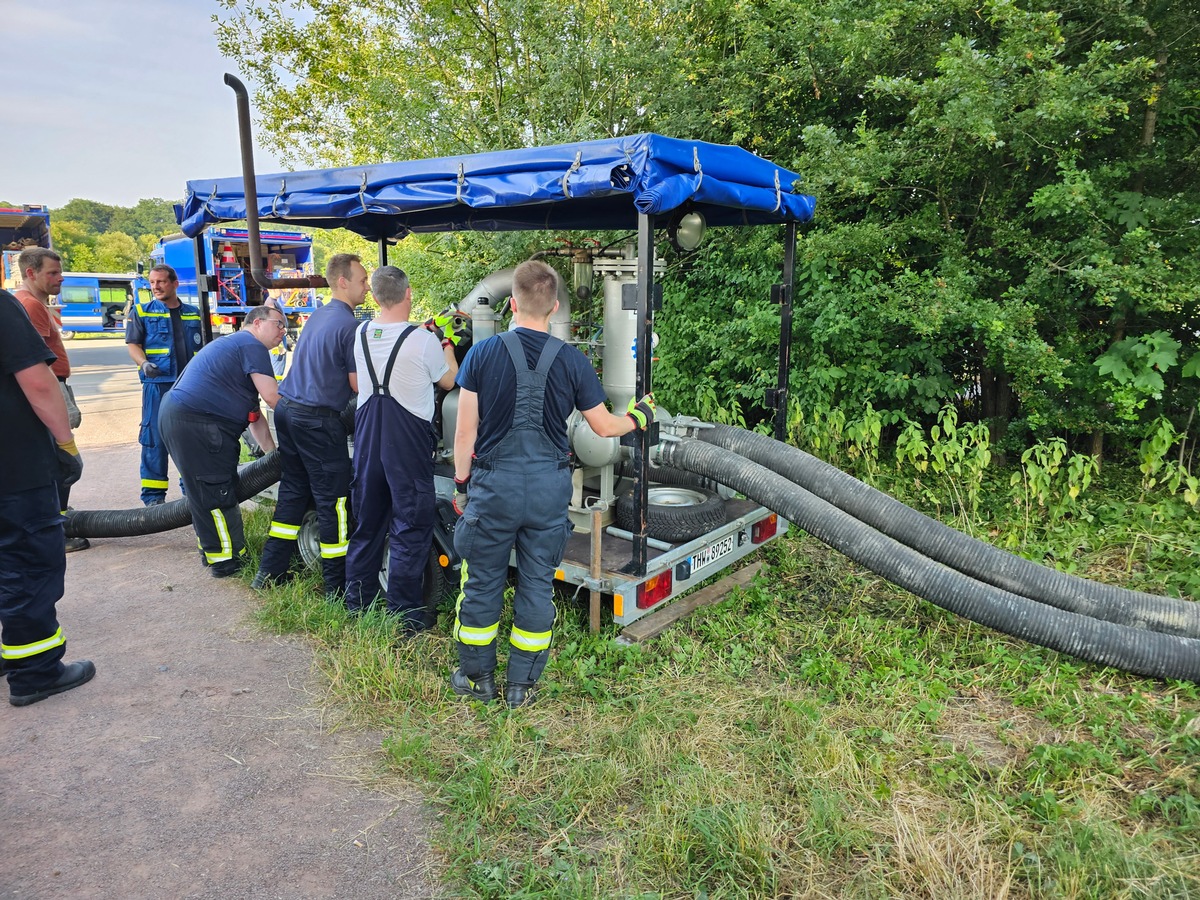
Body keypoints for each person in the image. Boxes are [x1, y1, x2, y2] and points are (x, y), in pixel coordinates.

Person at [450, 259, 656, 708]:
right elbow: (603, 428)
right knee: (537, 585)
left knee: (482, 582)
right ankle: (521, 688)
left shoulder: (482, 354)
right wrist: (639, 415)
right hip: (547, 491)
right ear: (555, 305)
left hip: (494, 489)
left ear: (511, 304)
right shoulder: (572, 359)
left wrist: (462, 485)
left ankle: (477, 679)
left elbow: (465, 432)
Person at [343, 266, 459, 629]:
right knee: (410, 525)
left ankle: (357, 603)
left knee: (367, 523)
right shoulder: (424, 341)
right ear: (408, 294)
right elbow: (449, 380)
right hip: (406, 445)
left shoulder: (360, 332)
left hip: (367, 441)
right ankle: (406, 614)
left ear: (375, 297)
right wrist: (447, 345)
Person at [251, 254, 367, 598]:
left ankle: (269, 573)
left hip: (287, 412)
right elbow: (359, 385)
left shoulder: (319, 316)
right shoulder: (349, 325)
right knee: (334, 502)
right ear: (342, 282)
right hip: (316, 420)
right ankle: (338, 587)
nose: (366, 286)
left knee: (293, 494)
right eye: (361, 280)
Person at [0, 288, 93, 706]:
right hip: (14, 468)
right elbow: (38, 383)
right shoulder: (4, 307)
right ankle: (35, 673)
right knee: (29, 565)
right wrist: (65, 444)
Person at [157, 305, 284, 578]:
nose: (283, 332)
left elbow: (255, 417)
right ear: (258, 323)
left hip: (182, 416)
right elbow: (273, 398)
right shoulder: (252, 345)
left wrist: (274, 455)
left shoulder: (235, 346)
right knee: (216, 491)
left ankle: (213, 552)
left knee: (205, 491)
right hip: (199, 422)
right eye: (279, 324)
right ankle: (228, 560)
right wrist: (303, 430)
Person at [12, 248, 87, 552]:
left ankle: (51, 526)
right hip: (50, 387)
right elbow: (37, 368)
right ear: (31, 273)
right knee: (62, 463)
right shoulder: (31, 306)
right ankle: (56, 530)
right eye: (52, 273)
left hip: (49, 387)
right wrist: (63, 435)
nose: (60, 278)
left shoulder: (24, 303)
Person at [125, 264, 203, 506]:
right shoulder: (142, 311)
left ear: (174, 283)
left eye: (160, 282)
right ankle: (153, 499)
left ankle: (190, 492)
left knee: (188, 439)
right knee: (154, 439)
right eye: (152, 282)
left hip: (187, 385)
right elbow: (133, 344)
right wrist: (144, 363)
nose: (155, 287)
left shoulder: (193, 313)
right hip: (157, 384)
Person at [262, 291, 289, 380]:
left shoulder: (274, 302)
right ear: (271, 290)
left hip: (278, 337)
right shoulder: (271, 304)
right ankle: (277, 388)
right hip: (277, 338)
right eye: (278, 289)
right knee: (278, 363)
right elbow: (273, 324)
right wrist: (279, 344)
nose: (281, 291)